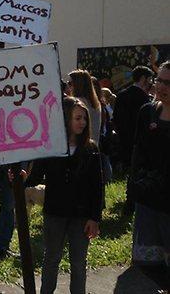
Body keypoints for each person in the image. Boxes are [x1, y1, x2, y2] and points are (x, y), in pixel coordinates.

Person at [22, 96, 104, 294]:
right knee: (51, 258)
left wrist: (95, 217)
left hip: (81, 215)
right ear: (65, 119)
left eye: (84, 118)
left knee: (78, 262)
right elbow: (35, 177)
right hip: (55, 212)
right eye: (77, 118)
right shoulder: (51, 146)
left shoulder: (90, 148)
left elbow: (97, 186)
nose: (82, 122)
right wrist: (22, 178)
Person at [129, 61, 170, 278]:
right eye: (159, 80)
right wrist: (134, 185)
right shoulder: (147, 112)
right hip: (149, 200)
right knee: (149, 265)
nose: (162, 86)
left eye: (168, 82)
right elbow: (138, 153)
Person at [113, 65, 154, 215]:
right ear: (143, 79)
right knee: (137, 173)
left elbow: (116, 119)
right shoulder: (144, 99)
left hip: (124, 140)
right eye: (149, 79)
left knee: (131, 171)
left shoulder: (122, 95)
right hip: (140, 141)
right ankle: (133, 202)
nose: (151, 83)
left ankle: (129, 201)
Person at [68, 70, 102, 145]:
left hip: (79, 145)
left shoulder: (78, 103)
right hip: (92, 144)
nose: (68, 86)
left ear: (77, 84)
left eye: (70, 83)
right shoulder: (95, 103)